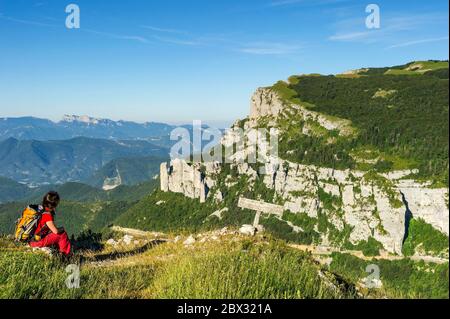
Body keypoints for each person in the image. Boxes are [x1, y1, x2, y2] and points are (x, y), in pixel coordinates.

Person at [29, 191, 71, 256]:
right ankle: (65, 255)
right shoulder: (47, 215)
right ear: (54, 204)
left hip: (31, 240)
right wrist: (62, 229)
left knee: (54, 234)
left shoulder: (39, 210)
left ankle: (58, 251)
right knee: (62, 234)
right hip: (37, 242)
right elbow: (56, 231)